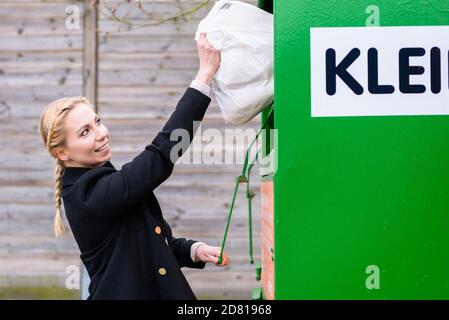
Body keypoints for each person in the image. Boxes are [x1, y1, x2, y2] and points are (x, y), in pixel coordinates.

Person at [38, 33, 229, 299]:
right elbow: (160, 155)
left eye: (97, 121)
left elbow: (147, 245)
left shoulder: (102, 181)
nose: (101, 133)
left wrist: (192, 250)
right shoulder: (88, 194)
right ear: (62, 153)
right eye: (85, 132)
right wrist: (204, 76)